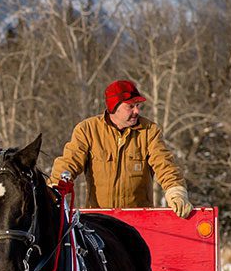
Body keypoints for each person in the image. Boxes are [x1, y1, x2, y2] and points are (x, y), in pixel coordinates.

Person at [50, 79, 193, 217]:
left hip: (139, 219)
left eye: (138, 105)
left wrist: (176, 191)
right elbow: (69, 162)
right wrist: (54, 189)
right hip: (100, 220)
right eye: (131, 106)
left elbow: (165, 165)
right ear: (114, 106)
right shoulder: (88, 130)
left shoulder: (149, 131)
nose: (137, 111)